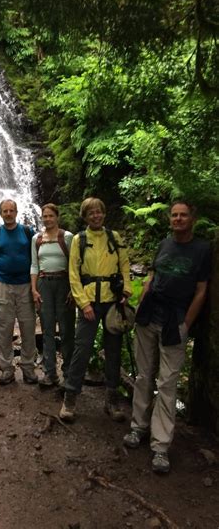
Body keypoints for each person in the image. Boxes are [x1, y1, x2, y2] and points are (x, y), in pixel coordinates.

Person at [123, 200, 212, 474]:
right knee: (143, 375)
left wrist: (187, 323)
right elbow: (152, 276)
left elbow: (201, 291)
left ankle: (160, 446)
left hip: (176, 321)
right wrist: (141, 301)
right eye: (174, 215)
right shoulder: (164, 244)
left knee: (167, 383)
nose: (178, 219)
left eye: (183, 215)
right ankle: (138, 427)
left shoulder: (203, 249)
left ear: (192, 219)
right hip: (150, 316)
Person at [59, 197, 132, 422]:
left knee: (113, 351)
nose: (96, 216)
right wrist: (84, 303)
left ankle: (111, 400)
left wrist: (127, 289)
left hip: (112, 302)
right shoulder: (80, 240)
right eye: (91, 213)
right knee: (82, 350)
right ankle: (69, 399)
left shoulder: (114, 237)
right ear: (85, 216)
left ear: (104, 213)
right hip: (89, 302)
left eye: (99, 212)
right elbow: (73, 274)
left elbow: (124, 265)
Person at [0, 199, 38, 386]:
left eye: (11, 210)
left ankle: (28, 368)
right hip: (3, 285)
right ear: (0, 213)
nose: (8, 214)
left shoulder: (27, 232)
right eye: (5, 211)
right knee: (4, 329)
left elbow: (35, 260)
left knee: (28, 328)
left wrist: (35, 287)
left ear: (16, 212)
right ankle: (6, 369)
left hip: (25, 285)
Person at [31, 203, 75, 387]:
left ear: (57, 217)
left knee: (66, 330)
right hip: (43, 284)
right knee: (47, 329)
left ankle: (68, 373)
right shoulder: (37, 238)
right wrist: (34, 289)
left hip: (64, 283)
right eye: (45, 216)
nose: (47, 219)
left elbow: (75, 264)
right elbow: (34, 265)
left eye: (51, 216)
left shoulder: (67, 237)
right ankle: (50, 373)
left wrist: (74, 289)